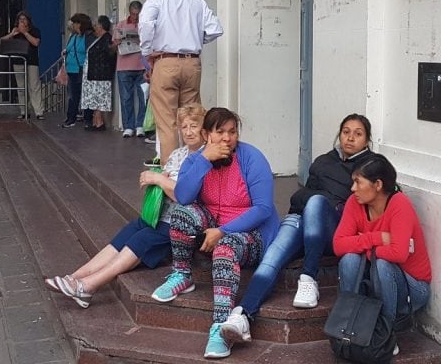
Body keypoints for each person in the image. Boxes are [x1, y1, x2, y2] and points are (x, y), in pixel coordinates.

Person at [220, 114, 375, 348]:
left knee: (316, 202)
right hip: (302, 218)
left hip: (336, 229)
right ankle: (242, 314)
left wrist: (323, 203)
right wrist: (308, 205)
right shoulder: (323, 161)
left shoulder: (372, 166)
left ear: (367, 140)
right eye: (346, 132)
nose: (350, 138)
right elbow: (299, 197)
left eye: (358, 133)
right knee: (273, 257)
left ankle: (309, 277)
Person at [46, 104, 206, 307]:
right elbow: (165, 181)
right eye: (185, 127)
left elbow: (184, 195)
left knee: (140, 240)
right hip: (159, 214)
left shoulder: (204, 158)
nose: (189, 131)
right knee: (125, 235)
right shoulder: (178, 154)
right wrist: (156, 179)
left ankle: (88, 286)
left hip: (180, 224)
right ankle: (75, 277)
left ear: (204, 129)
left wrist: (158, 180)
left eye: (194, 126)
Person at [150, 107, 279, 359]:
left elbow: (263, 209)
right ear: (206, 134)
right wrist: (204, 160)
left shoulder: (252, 157)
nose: (227, 139)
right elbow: (184, 196)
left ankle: (220, 327)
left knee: (225, 248)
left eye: (232, 132)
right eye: (220, 132)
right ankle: (182, 274)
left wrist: (223, 231)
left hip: (252, 233)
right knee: (181, 213)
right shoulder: (196, 159)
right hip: (214, 225)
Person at [333, 154, 432, 356]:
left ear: (377, 184)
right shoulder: (355, 202)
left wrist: (363, 243)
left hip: (412, 289)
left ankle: (386, 336)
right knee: (350, 259)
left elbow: (399, 253)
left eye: (358, 182)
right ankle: (349, 327)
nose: (353, 189)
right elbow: (338, 245)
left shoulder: (399, 204)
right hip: (374, 280)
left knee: (384, 263)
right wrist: (376, 238)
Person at [138, 0, 224, 164]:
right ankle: (195, 167)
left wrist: (147, 51)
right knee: (192, 118)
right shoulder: (196, 2)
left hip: (165, 61)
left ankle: (171, 173)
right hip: (192, 63)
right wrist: (194, 39)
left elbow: (146, 26)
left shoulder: (156, 0)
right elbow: (215, 29)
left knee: (167, 121)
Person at [0, 11, 44, 120]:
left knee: (34, 86)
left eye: (24, 19)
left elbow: (36, 43)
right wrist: (11, 34)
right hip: (18, 62)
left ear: (28, 21)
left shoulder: (34, 31)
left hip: (32, 61)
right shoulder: (15, 32)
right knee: (21, 87)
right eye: (20, 19)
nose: (22, 21)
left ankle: (39, 112)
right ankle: (24, 111)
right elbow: (1, 41)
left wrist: (25, 33)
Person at [112, 1, 146, 138]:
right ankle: (128, 126)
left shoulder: (145, 25)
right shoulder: (120, 25)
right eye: (133, 14)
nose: (135, 17)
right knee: (126, 98)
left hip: (142, 66)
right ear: (129, 12)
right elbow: (113, 46)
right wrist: (117, 43)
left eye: (137, 15)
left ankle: (140, 125)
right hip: (124, 66)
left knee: (144, 97)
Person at [80, 15, 115, 131]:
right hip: (94, 74)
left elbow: (109, 53)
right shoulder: (98, 38)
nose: (94, 27)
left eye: (96, 25)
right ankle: (96, 121)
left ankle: (99, 122)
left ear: (101, 26)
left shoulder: (106, 38)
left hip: (100, 74)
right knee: (94, 98)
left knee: (98, 98)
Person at [61, 13, 95, 128]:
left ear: (81, 24)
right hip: (71, 69)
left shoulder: (88, 36)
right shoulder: (73, 36)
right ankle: (71, 118)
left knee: (85, 94)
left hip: (82, 69)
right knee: (72, 95)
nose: (74, 25)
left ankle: (87, 118)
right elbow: (70, 48)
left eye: (76, 23)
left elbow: (90, 51)